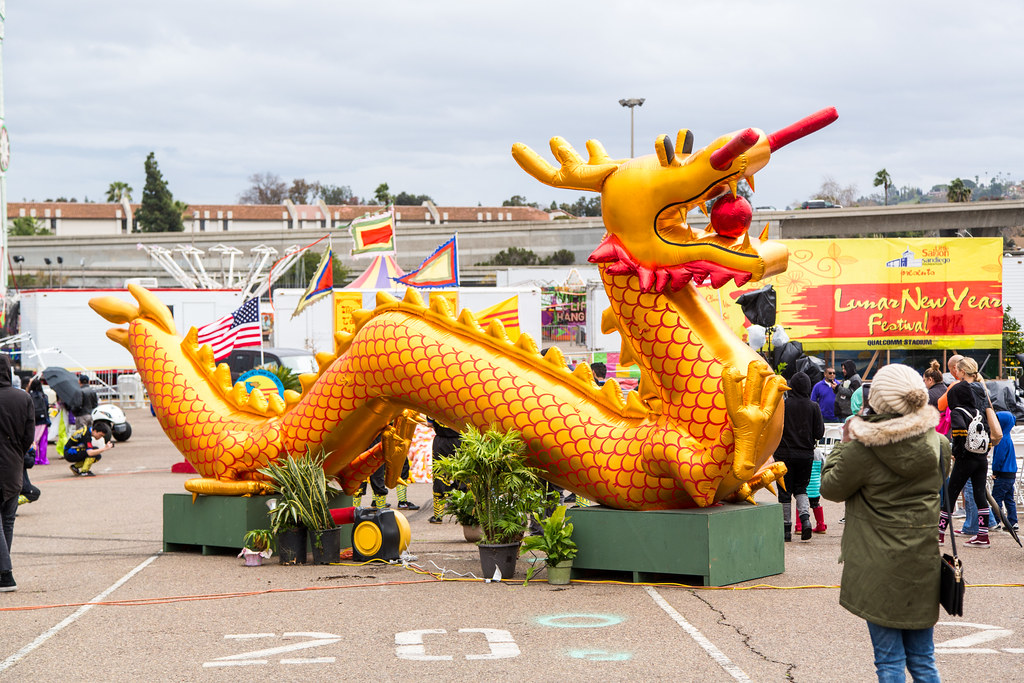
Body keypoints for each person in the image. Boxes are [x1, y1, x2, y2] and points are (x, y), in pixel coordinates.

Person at [821, 363, 948, 682]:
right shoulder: (939, 444)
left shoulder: (864, 449)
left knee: (889, 662)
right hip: (922, 564)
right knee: (923, 659)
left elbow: (830, 488)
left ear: (876, 400)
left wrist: (845, 442)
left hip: (878, 565)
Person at [937, 357, 993, 547]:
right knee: (980, 493)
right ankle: (983, 535)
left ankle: (939, 533)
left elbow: (959, 429)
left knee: (951, 492)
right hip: (981, 453)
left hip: (966, 455)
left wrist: (956, 450)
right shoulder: (980, 395)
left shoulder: (957, 410)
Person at [774, 371, 824, 541]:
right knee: (801, 489)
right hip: (805, 455)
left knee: (784, 491)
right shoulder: (813, 407)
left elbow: (775, 429)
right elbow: (819, 433)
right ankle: (806, 521)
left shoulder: (783, 405)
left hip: (784, 454)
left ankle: (786, 529)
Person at [0, 354, 35, 592]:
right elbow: (28, 436)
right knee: (8, 520)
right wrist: (16, 452)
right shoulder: (23, 398)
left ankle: (5, 572)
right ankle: (3, 572)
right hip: (13, 466)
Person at [428, 418, 462, 523]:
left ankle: (438, 516)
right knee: (463, 475)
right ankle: (466, 514)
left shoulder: (436, 402)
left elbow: (430, 423)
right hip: (460, 441)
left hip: (441, 442)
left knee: (439, 475)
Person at [990, 409, 1018, 533]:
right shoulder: (1008, 437)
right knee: (1009, 498)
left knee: (996, 499)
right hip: (1011, 474)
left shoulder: (1001, 440)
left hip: (1002, 473)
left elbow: (998, 458)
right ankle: (1013, 521)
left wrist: (995, 471)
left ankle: (995, 521)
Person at [26, 377, 51, 465]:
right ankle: (43, 459)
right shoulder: (44, 396)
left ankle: (35, 458)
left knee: (34, 440)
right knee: (43, 441)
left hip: (33, 421)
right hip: (43, 421)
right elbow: (47, 408)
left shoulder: (29, 396)